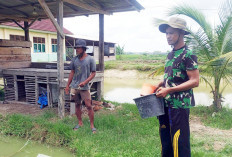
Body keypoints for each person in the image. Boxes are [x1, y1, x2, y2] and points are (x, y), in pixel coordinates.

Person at [155, 17, 199, 157]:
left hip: (179, 105)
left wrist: (170, 89)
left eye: (171, 33)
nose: (168, 36)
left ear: (181, 33)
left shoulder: (188, 54)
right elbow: (172, 77)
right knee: (166, 137)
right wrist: (161, 84)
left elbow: (195, 81)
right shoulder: (170, 54)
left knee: (179, 140)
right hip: (166, 104)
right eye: (166, 33)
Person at [65, 39, 97, 133]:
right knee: (77, 104)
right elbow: (72, 72)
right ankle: (80, 123)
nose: (76, 50)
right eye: (76, 48)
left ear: (83, 48)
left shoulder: (90, 59)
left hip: (85, 87)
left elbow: (93, 73)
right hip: (75, 86)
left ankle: (92, 125)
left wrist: (85, 82)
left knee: (88, 105)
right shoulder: (74, 59)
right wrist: (68, 86)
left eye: (78, 48)